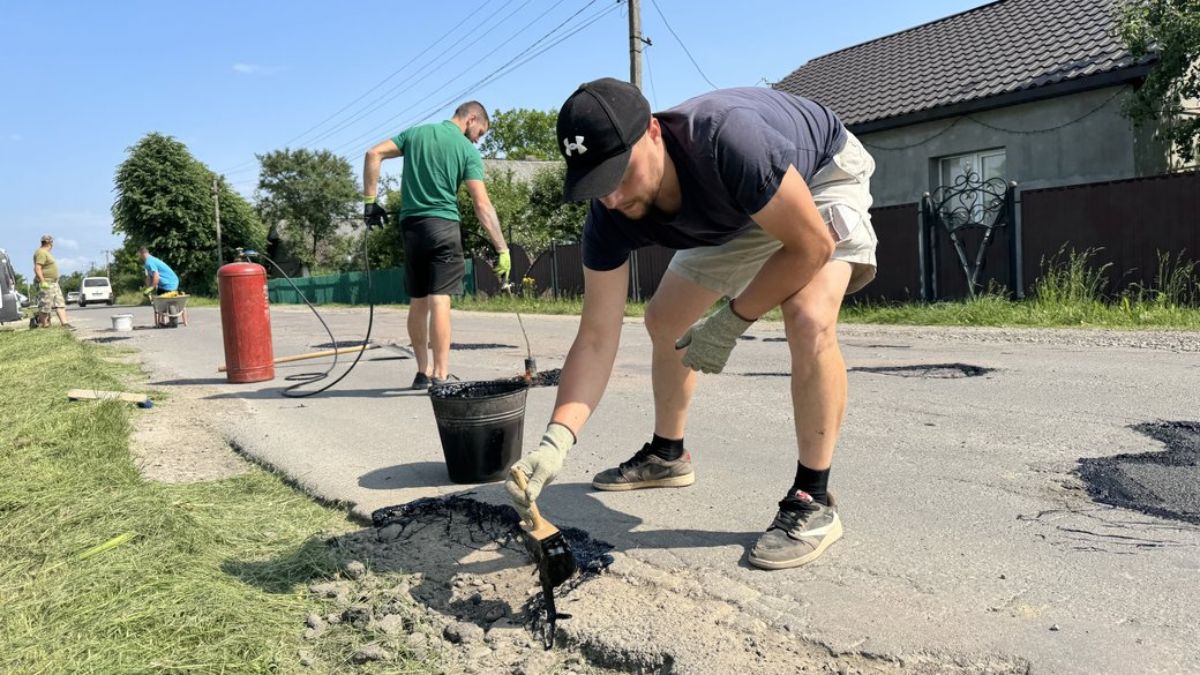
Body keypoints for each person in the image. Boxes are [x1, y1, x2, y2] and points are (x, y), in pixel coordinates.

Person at [506, 79, 878, 570]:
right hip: (740, 204)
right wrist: (555, 442)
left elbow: (809, 248)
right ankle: (668, 455)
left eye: (620, 172)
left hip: (817, 177)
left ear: (654, 133)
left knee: (807, 317)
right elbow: (596, 339)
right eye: (598, 183)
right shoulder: (610, 214)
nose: (613, 196)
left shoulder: (727, 141)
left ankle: (814, 497)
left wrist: (731, 320)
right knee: (664, 320)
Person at [362, 101, 511, 390]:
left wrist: (370, 203)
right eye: (480, 132)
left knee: (418, 301)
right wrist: (502, 247)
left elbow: (373, 153)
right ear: (471, 118)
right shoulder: (466, 150)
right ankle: (441, 375)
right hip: (443, 227)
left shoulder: (415, 134)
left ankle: (422, 372)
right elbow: (482, 204)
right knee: (440, 299)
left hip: (412, 228)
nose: (478, 140)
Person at [33, 234, 72, 329]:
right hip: (47, 283)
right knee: (45, 305)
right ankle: (45, 325)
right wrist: (42, 281)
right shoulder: (41, 252)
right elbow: (37, 268)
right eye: (52, 242)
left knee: (60, 303)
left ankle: (65, 324)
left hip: (54, 283)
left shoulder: (46, 253)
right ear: (49, 242)